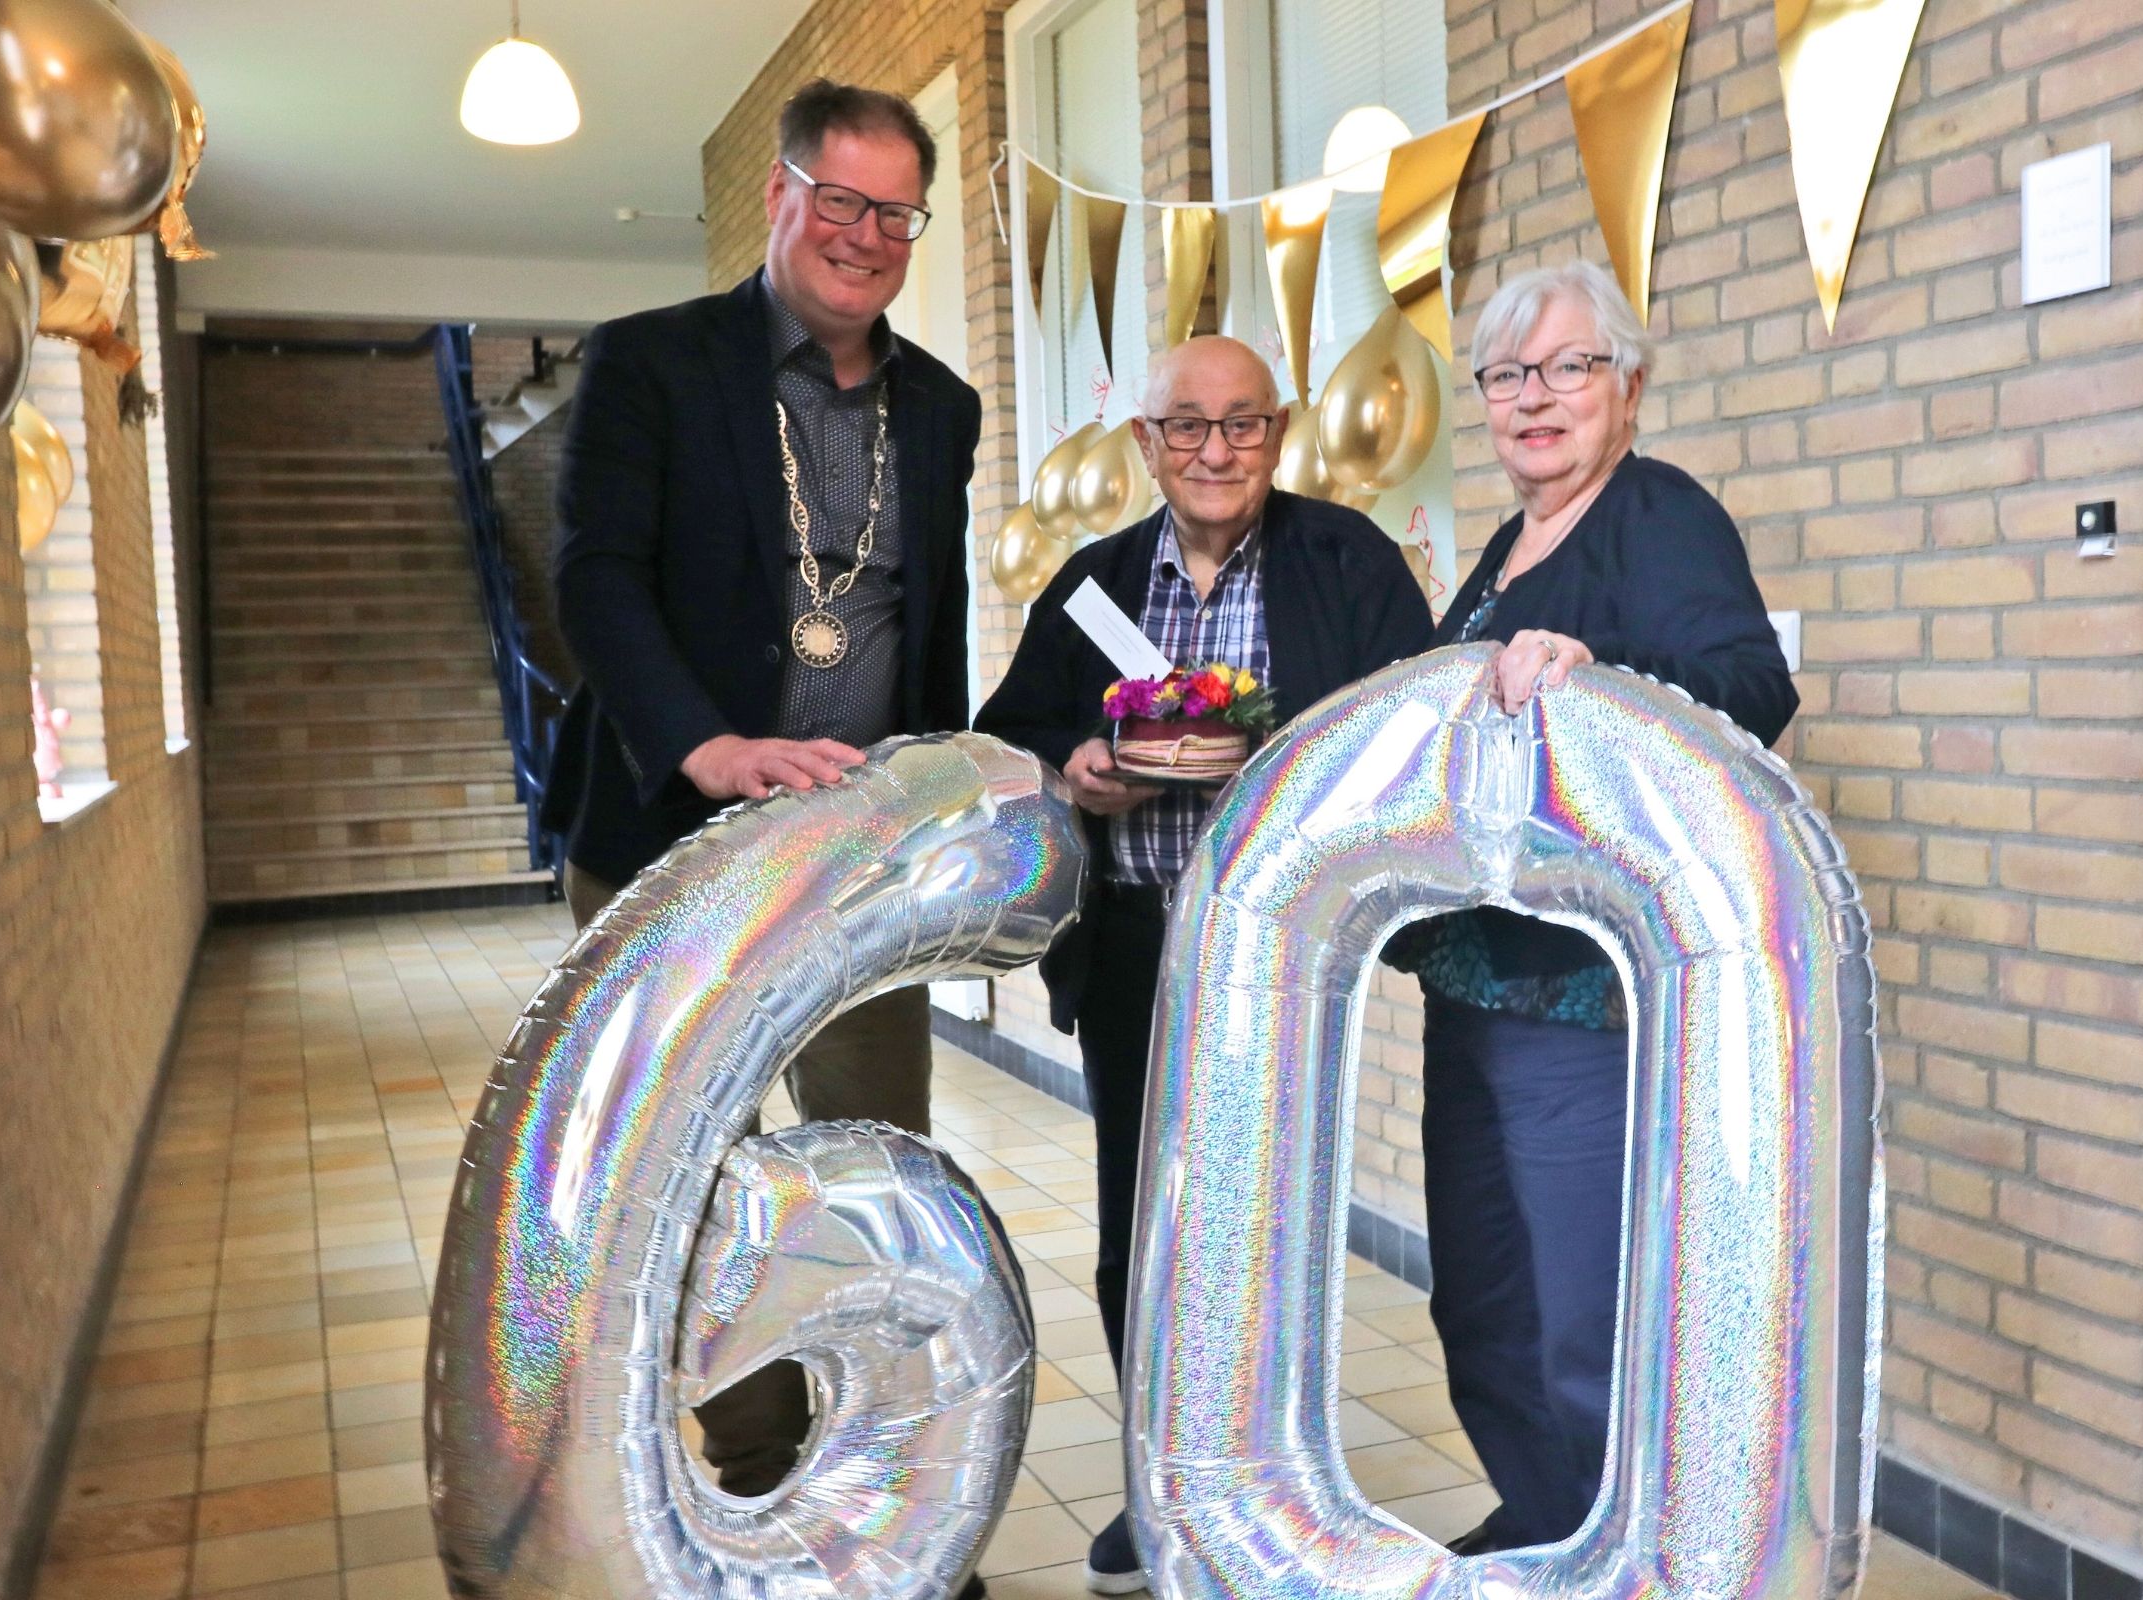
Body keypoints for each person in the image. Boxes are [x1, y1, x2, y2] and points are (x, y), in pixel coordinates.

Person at [540, 77, 984, 1533]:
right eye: (841, 199)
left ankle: (879, 1509)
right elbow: (596, 578)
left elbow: (932, 619)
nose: (865, 234)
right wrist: (708, 746)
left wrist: (941, 789)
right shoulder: (652, 365)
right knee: (698, 1185)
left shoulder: (943, 406)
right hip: (681, 851)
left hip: (859, 869)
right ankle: (750, 1494)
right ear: (783, 196)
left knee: (877, 1176)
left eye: (895, 212)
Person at [976, 335, 1435, 1593]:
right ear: (1147, 445)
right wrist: (1075, 767)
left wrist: (1280, 757)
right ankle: (1160, 1479)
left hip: (1287, 964)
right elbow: (1008, 735)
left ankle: (1279, 1488)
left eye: (1241, 425)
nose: (1216, 450)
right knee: (1147, 1226)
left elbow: (1415, 721)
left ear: (1278, 435)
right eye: (1188, 427)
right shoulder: (1090, 586)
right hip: (1136, 953)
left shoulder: (1350, 562)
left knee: (1272, 1223)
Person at [1396, 259, 1798, 1555]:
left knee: (1586, 1312)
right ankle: (1546, 1524)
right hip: (1476, 987)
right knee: (1487, 1305)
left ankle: (1618, 1558)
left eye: (1569, 367)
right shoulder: (1507, 548)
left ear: (1628, 385)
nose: (1536, 398)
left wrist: (1597, 675)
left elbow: (1747, 684)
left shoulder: (1657, 513)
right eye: (1510, 375)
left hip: (1586, 1004)